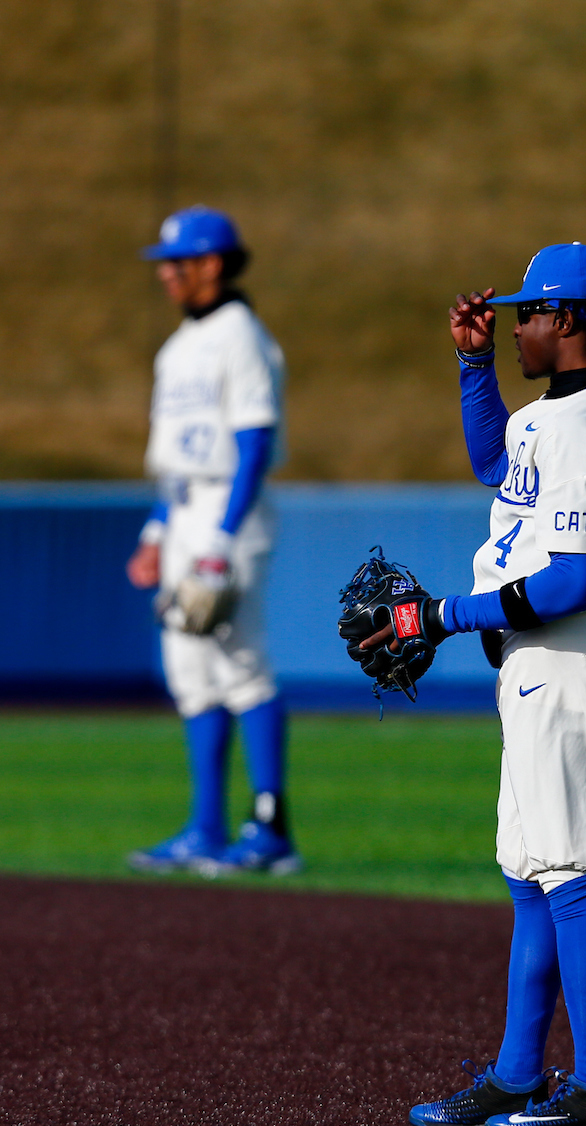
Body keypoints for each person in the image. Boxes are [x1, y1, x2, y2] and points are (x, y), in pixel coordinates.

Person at [362, 242, 586, 1126]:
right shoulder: (565, 412)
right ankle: (516, 1074)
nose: (515, 325)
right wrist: (472, 366)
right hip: (540, 663)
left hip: (566, 656)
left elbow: (567, 582)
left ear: (568, 319)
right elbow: (497, 461)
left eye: (527, 313)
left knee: (569, 870)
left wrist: (440, 615)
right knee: (530, 872)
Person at [126, 205, 301, 877]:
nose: (166, 274)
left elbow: (253, 444)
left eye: (178, 262)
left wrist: (222, 538)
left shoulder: (242, 338)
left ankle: (271, 828)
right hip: (184, 510)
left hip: (231, 507)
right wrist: (156, 532)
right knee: (191, 673)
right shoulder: (177, 348)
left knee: (239, 661)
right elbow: (175, 461)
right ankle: (204, 828)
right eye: (165, 263)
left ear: (213, 263)